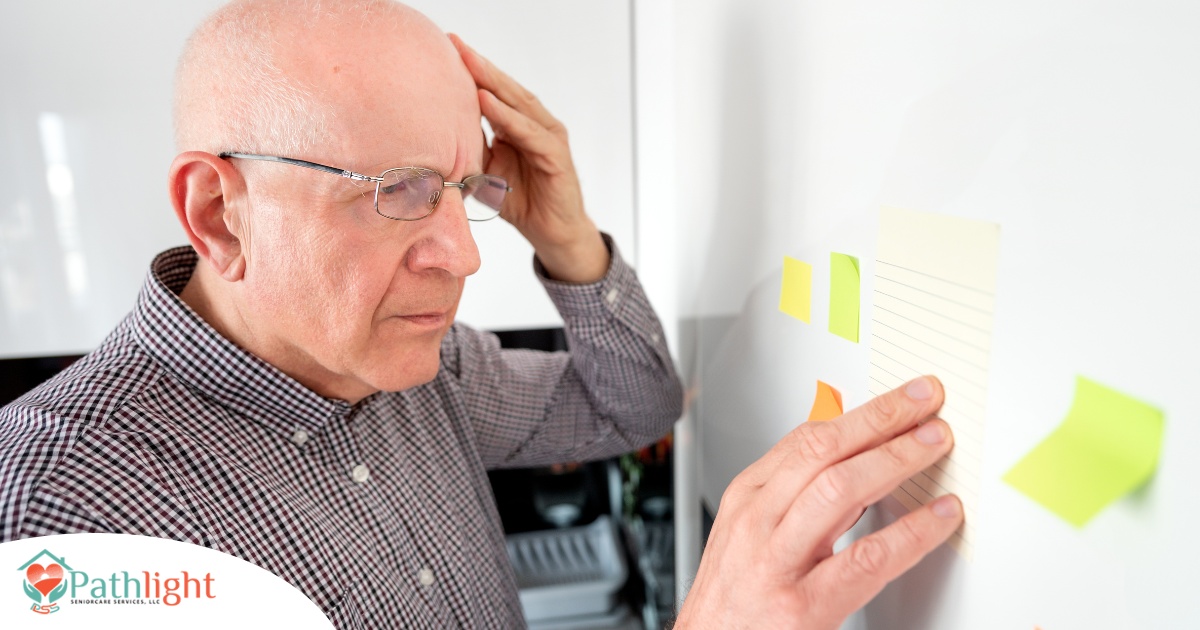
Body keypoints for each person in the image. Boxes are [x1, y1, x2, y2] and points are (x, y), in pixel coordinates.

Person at [0, 1, 962, 628]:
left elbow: (632, 406)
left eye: (465, 189)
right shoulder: (62, 516)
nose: (462, 253)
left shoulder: (421, 371)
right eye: (402, 190)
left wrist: (568, 235)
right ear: (220, 214)